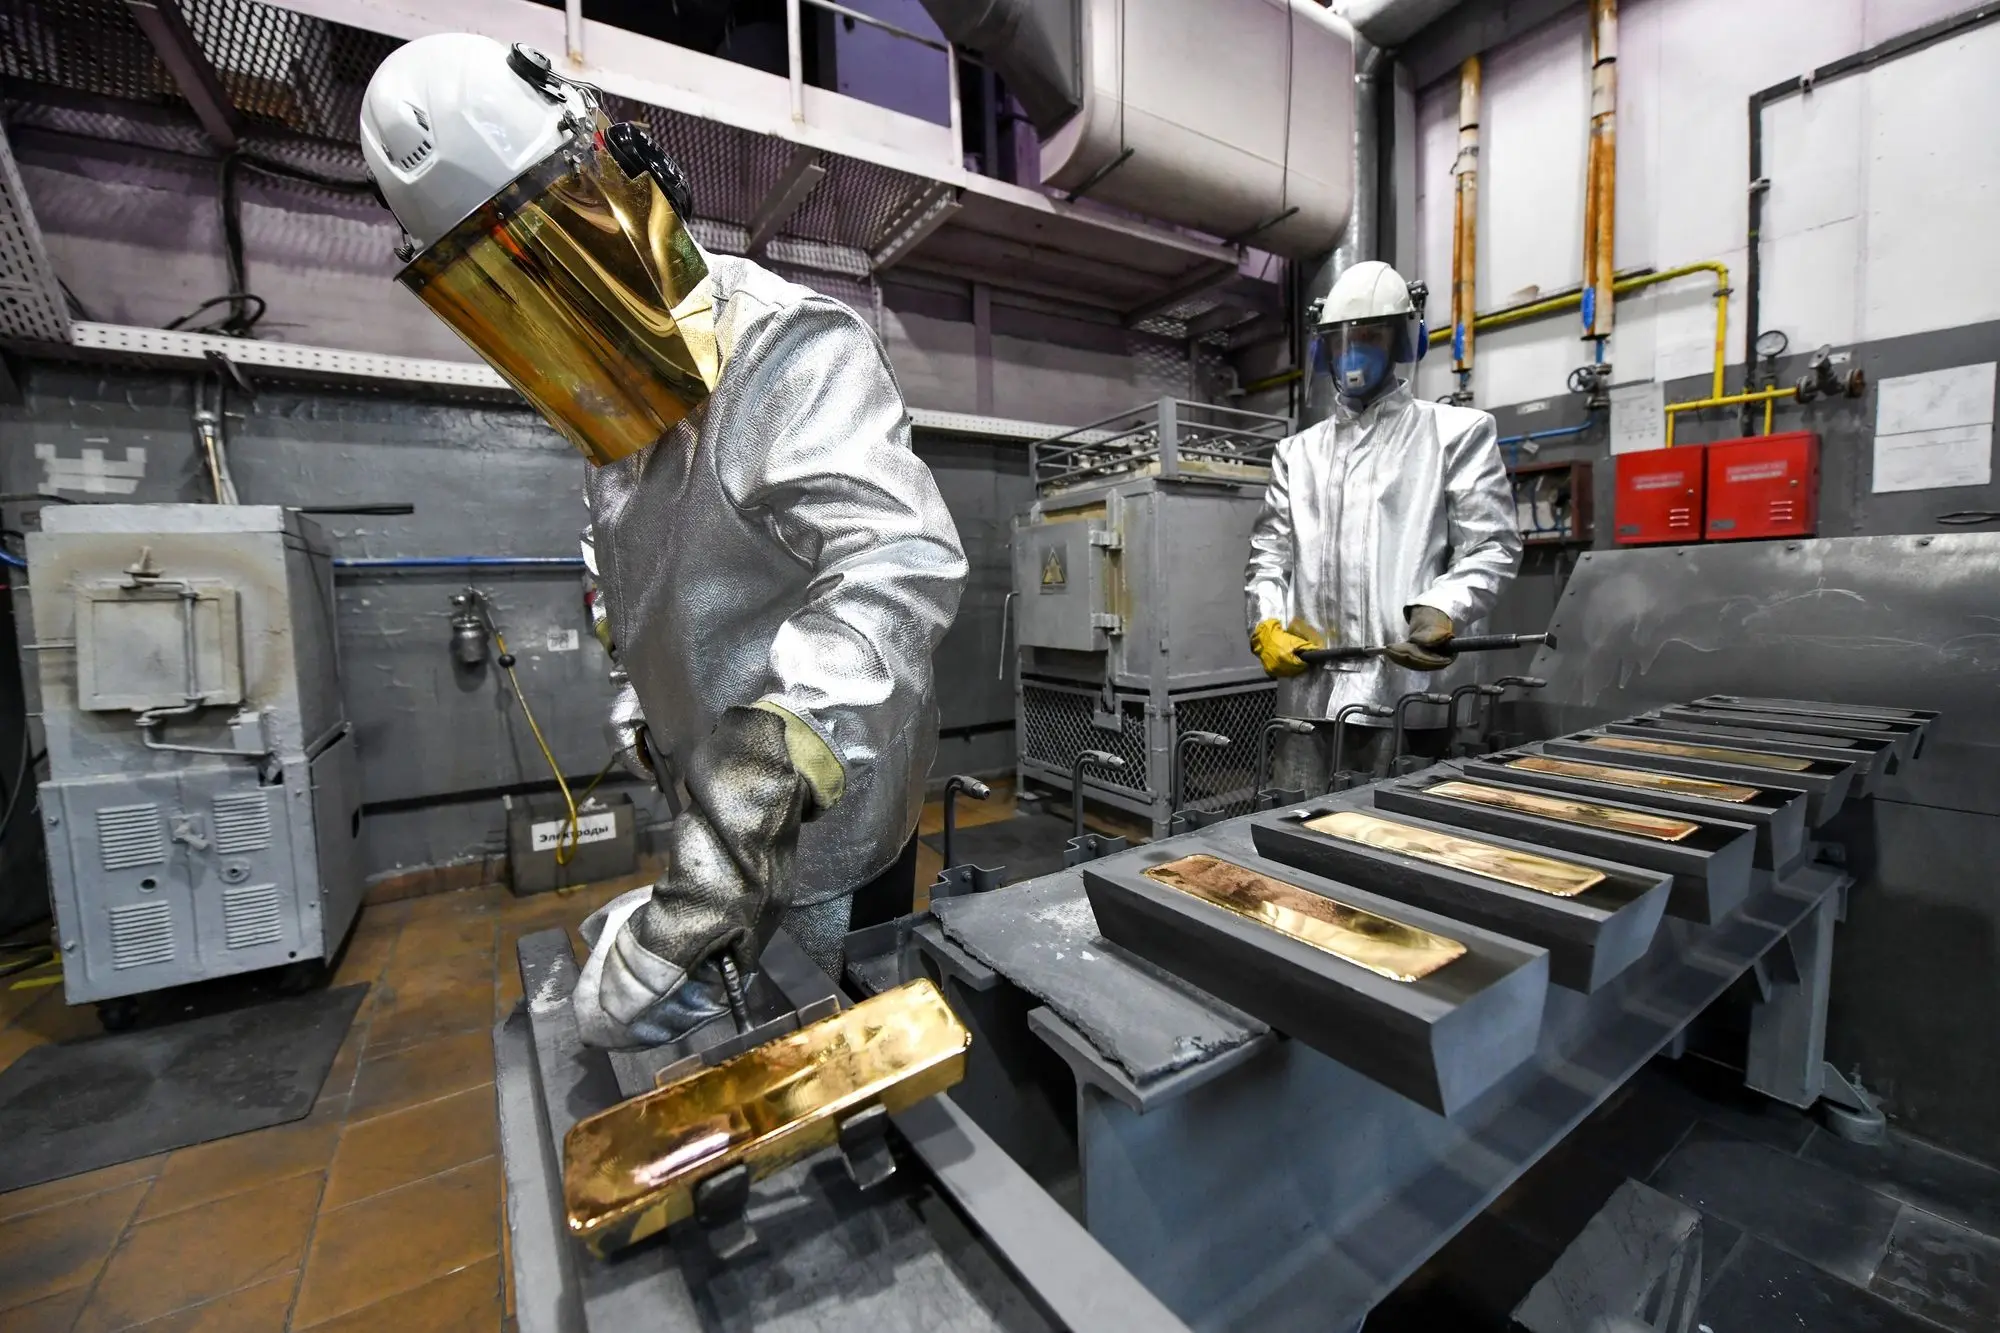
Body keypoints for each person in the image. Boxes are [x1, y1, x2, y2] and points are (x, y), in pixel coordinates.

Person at [360, 35, 966, 1048]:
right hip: (710, 818)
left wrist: (747, 803)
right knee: (752, 1036)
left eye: (557, 252)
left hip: (825, 816)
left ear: (623, 177)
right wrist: (644, 710)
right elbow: (623, 580)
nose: (554, 307)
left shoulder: (784, 345)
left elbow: (896, 565)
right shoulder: (611, 417)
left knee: (838, 1051)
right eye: (506, 287)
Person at [1244, 261, 1519, 790]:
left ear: (1402, 342)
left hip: (1411, 694)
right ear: (1324, 349)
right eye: (1341, 339)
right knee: (1296, 822)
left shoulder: (1455, 433)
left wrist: (1443, 608)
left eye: (1371, 336)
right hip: (1310, 694)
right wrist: (1265, 622)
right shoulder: (1297, 453)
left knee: (1405, 826)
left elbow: (1492, 547)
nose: (1354, 351)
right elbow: (1269, 556)